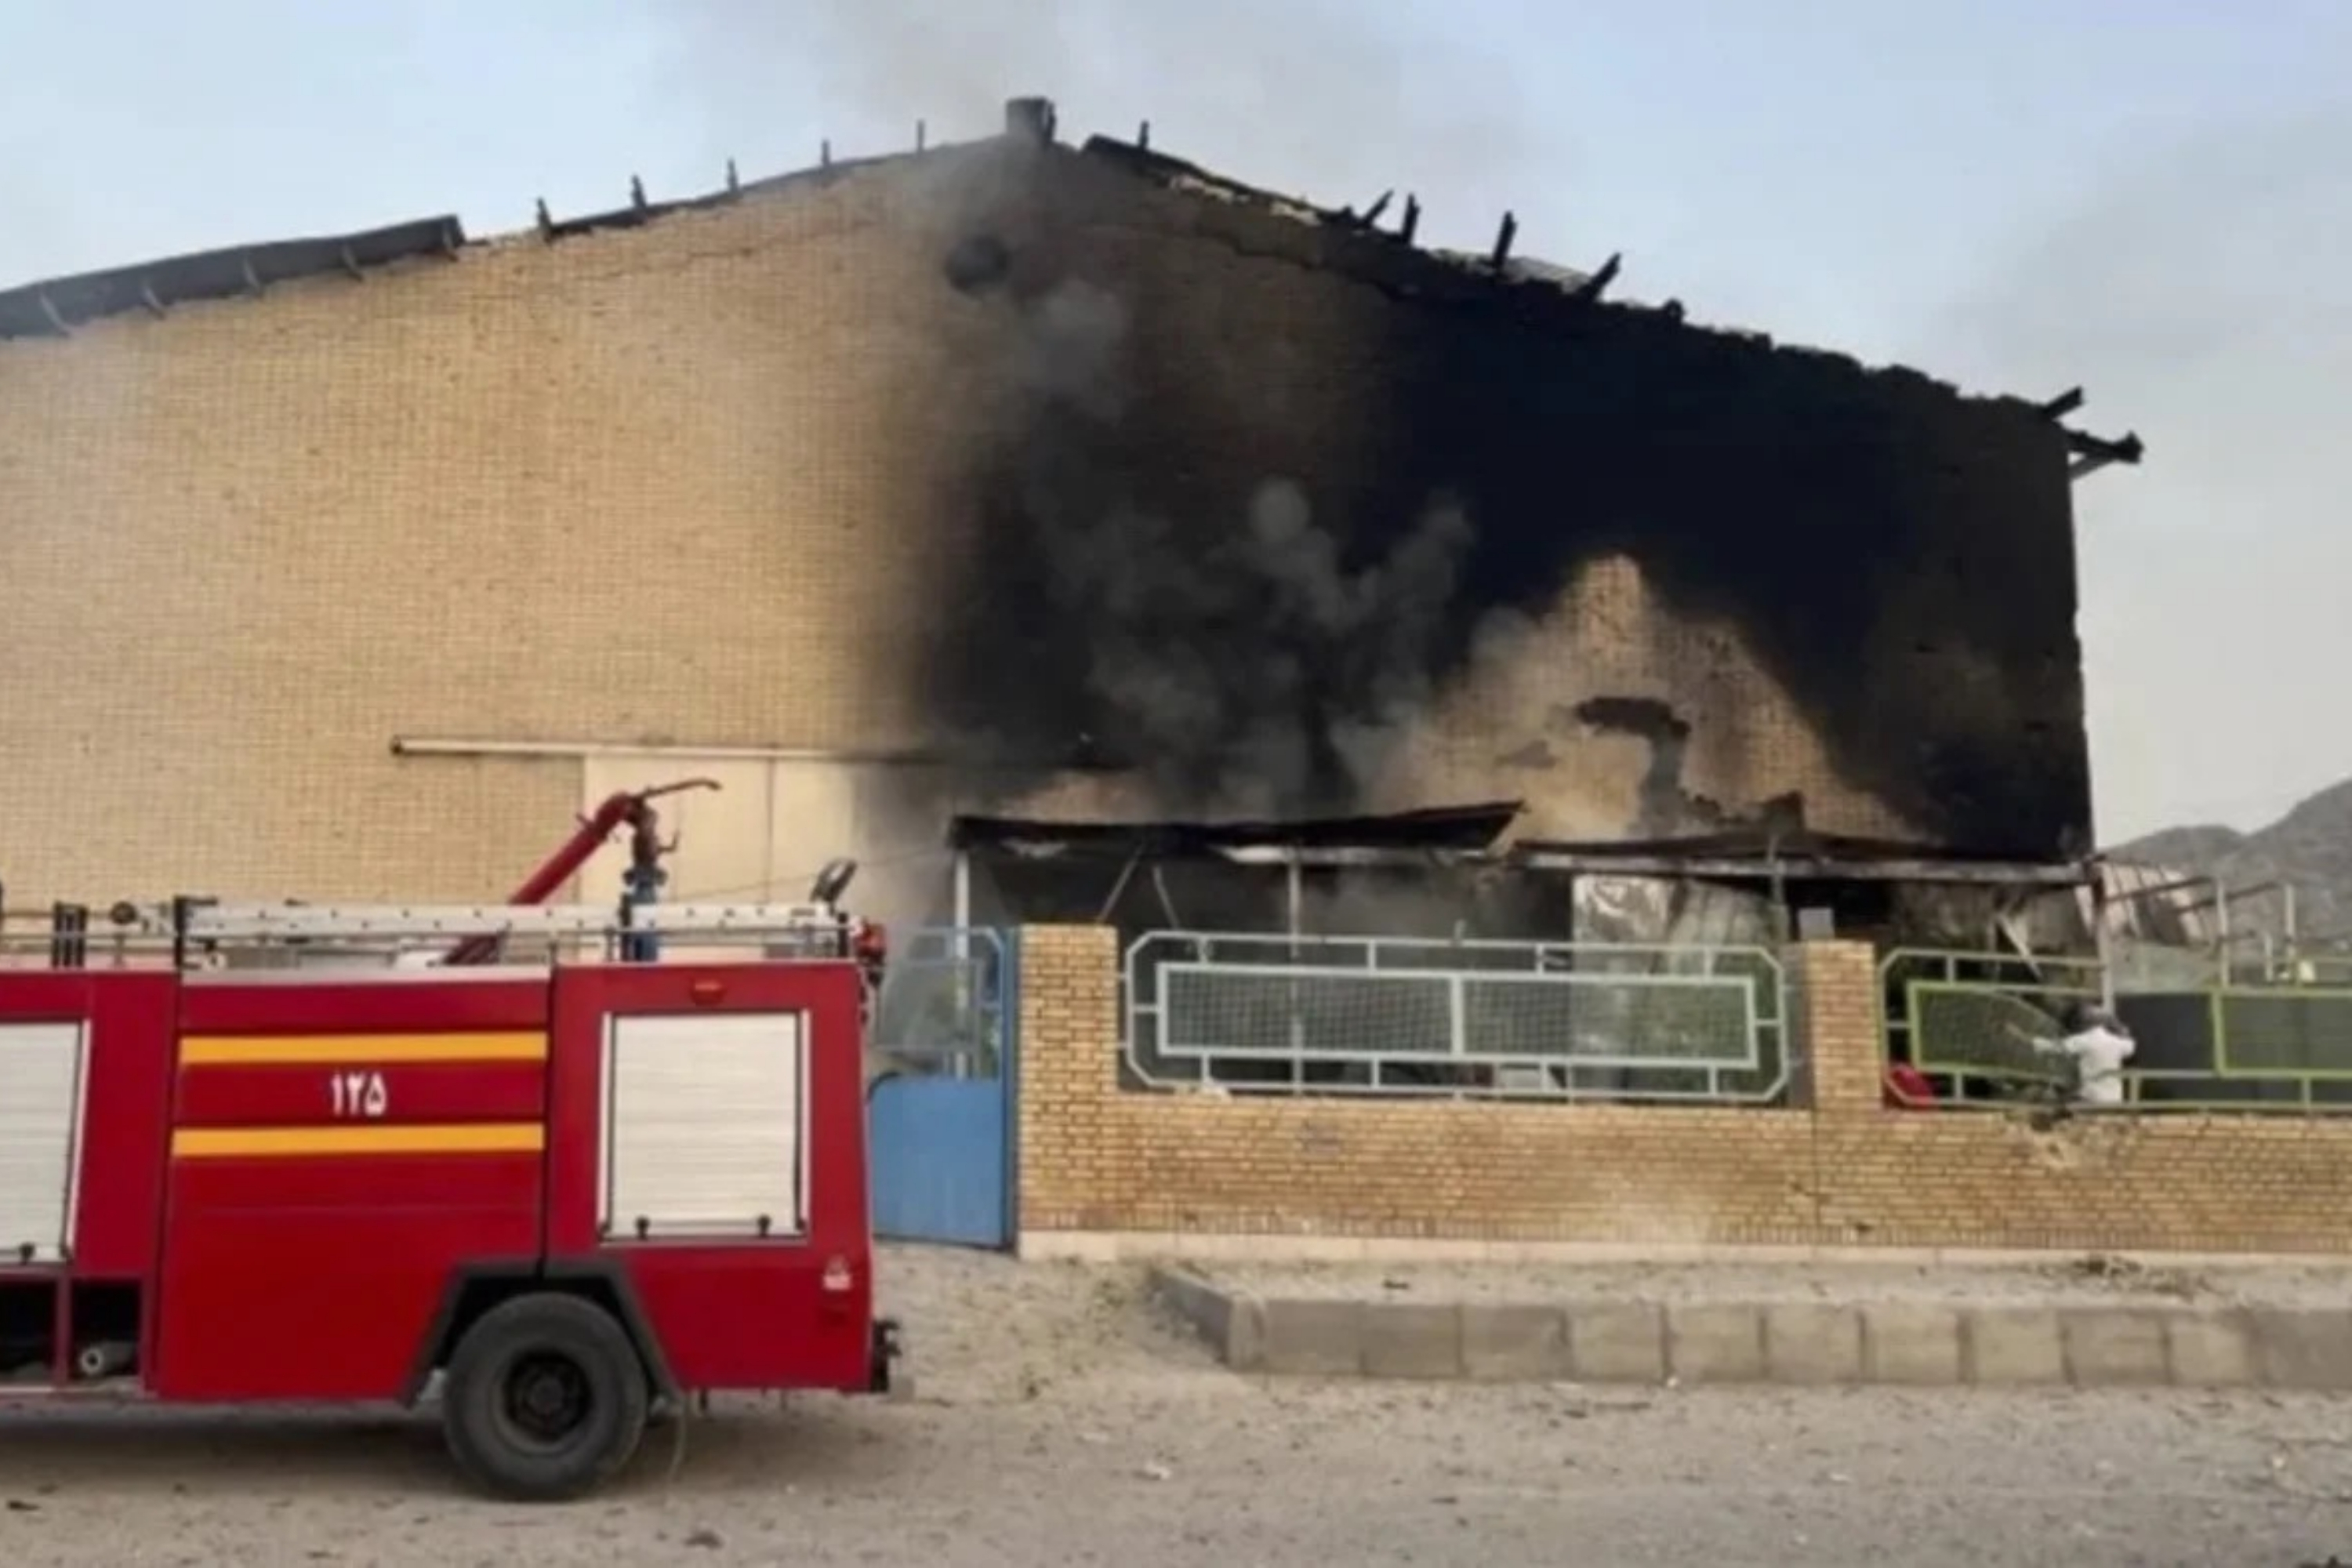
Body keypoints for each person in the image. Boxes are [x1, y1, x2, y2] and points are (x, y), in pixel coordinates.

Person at [2017, 1002, 2137, 1107]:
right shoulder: (2116, 1042)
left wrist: (2024, 1038)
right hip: (2115, 1099)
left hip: (2092, 1097)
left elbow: (2054, 1047)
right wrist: (2115, 1023)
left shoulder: (2083, 1040)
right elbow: (2131, 1045)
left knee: (2057, 1103)